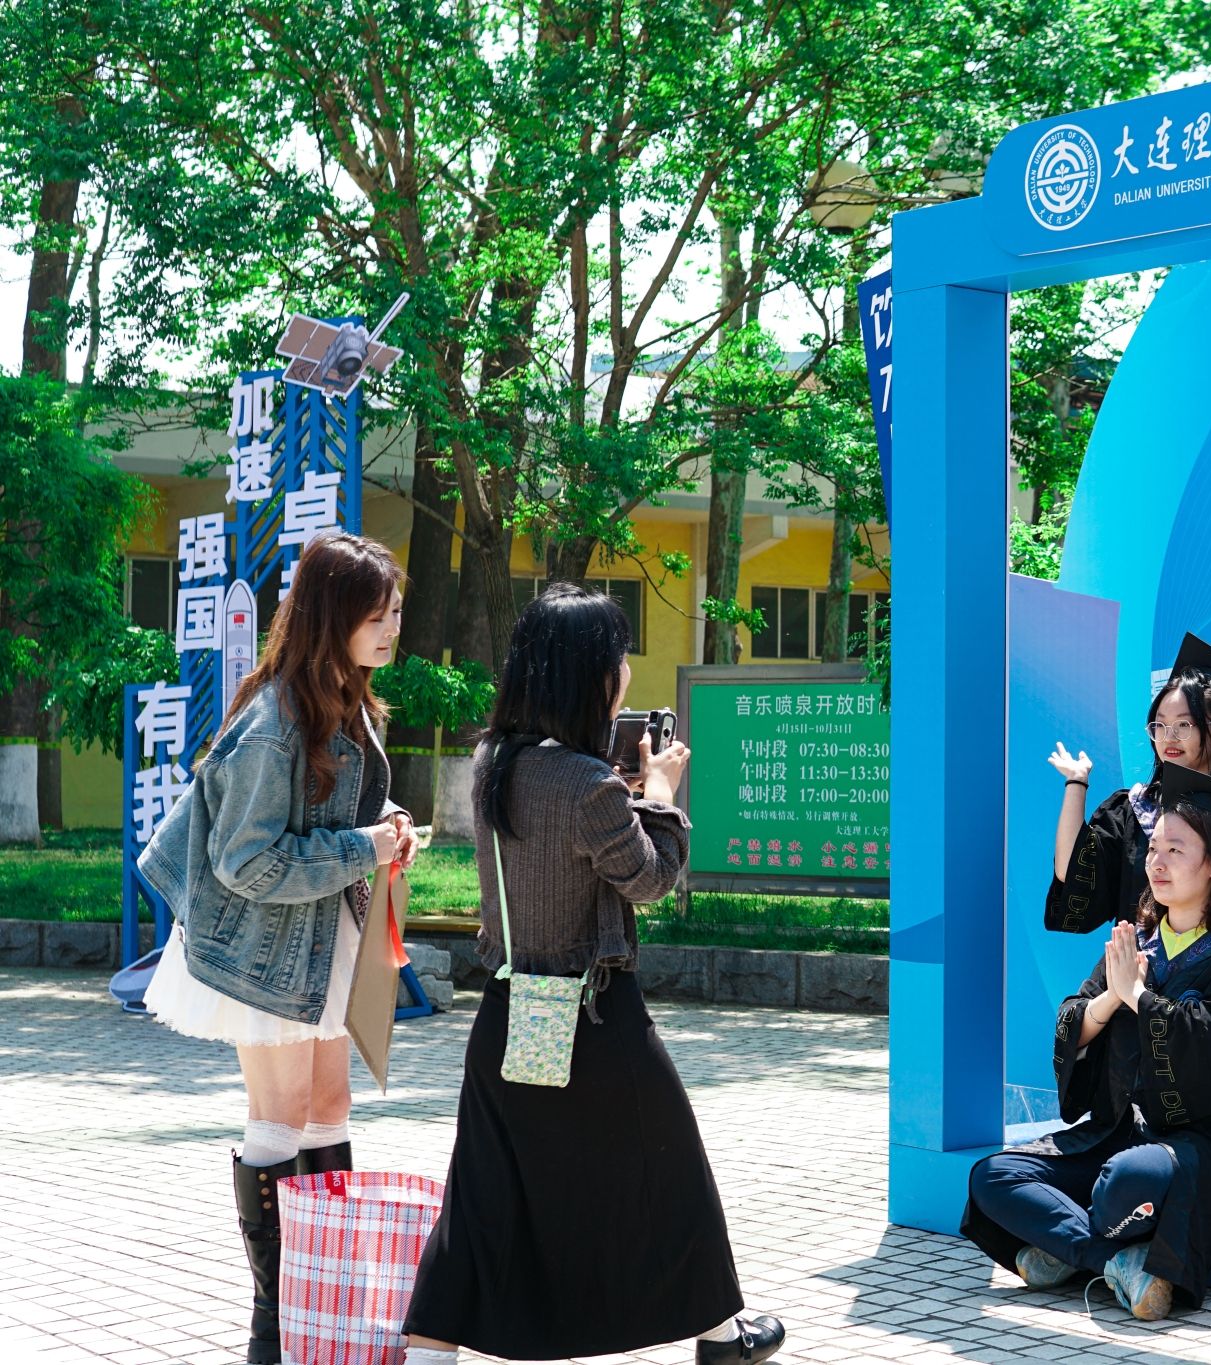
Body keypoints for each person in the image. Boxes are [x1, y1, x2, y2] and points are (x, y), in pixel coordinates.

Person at [401, 583, 783, 1365]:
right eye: (617, 657)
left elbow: (558, 836)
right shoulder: (587, 784)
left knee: (482, 1194)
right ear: (588, 675)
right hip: (593, 1019)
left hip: (511, 1012)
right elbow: (649, 879)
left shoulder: (494, 763)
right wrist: (662, 795)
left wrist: (621, 791)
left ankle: (429, 1352)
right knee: (669, 1170)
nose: (625, 670)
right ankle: (720, 1337)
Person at [136, 531, 419, 1365]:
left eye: (396, 611)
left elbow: (332, 812)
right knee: (282, 1114)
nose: (392, 628)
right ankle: (276, 1326)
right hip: (261, 951)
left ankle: (323, 1305)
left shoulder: (343, 699)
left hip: (315, 941)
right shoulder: (275, 720)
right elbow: (247, 861)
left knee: (329, 1104)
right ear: (333, 616)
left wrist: (387, 828)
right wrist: (365, 847)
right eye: (377, 614)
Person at [967, 764, 1211, 1321]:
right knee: (995, 1177)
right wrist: (1112, 997)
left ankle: (1062, 1246)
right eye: (1153, 848)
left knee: (1125, 1183)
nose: (1157, 862)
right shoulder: (1139, 940)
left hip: (1198, 1142)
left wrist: (1138, 997)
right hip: (1118, 1132)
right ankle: (1115, 1261)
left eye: (1175, 851)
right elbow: (1075, 1019)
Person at [1046, 634, 1211, 934]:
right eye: (1160, 725)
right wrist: (1077, 782)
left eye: (1184, 724)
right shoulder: (1133, 811)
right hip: (1135, 961)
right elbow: (1071, 873)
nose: (1169, 737)